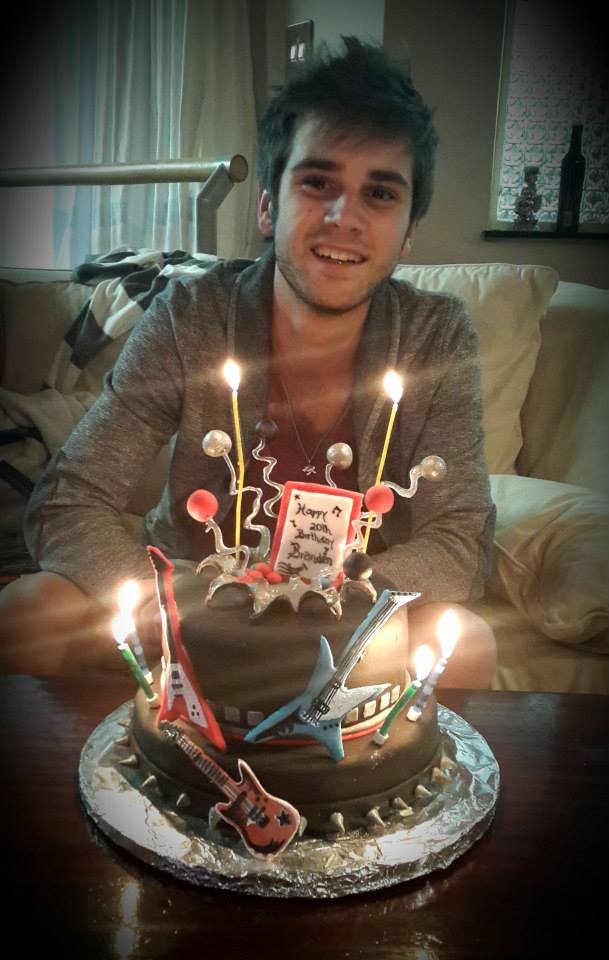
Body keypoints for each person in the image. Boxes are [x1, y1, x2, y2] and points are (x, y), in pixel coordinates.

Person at [0, 38, 496, 686]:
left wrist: (342, 600)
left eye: (379, 193)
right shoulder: (192, 317)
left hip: (352, 630)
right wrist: (156, 595)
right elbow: (69, 498)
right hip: (193, 616)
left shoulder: (435, 336)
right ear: (267, 205)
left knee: (470, 644)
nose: (344, 217)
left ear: (408, 233)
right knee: (29, 613)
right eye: (317, 182)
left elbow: (460, 536)